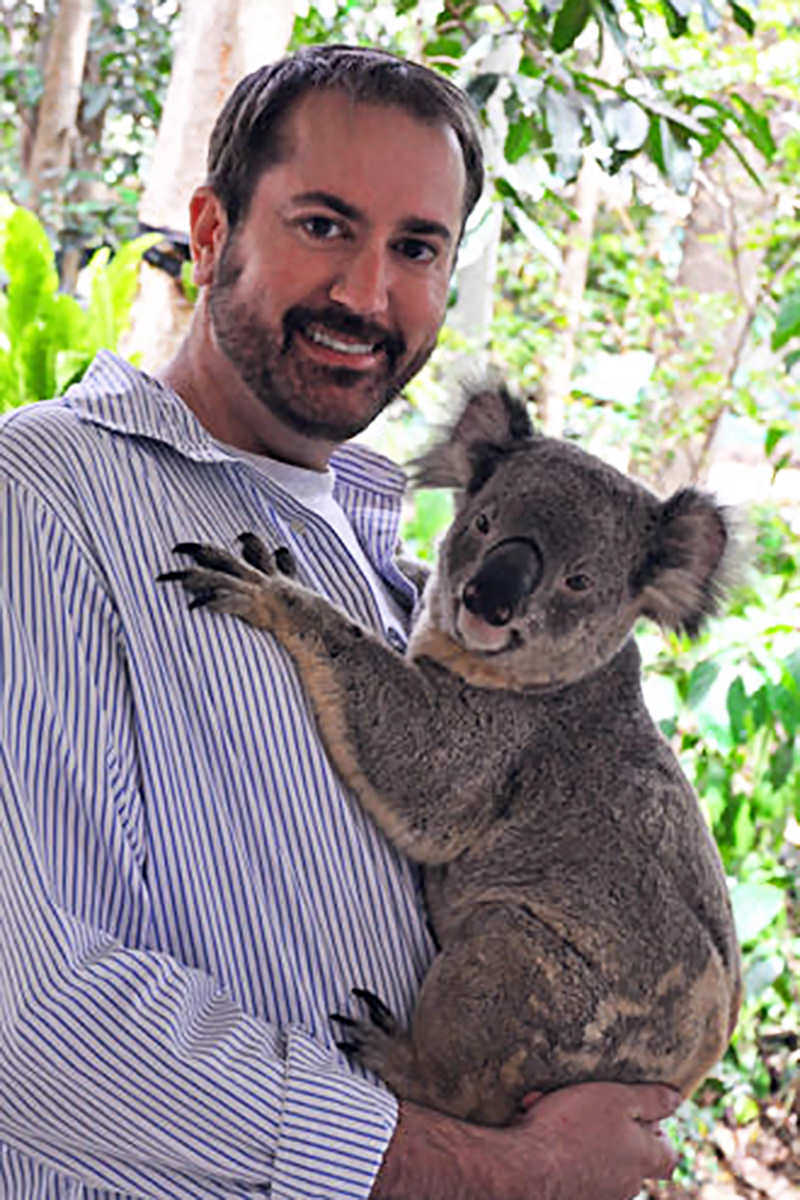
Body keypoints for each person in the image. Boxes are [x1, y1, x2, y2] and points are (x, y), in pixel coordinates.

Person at [0, 43, 680, 1199]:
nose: (368, 295)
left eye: (415, 248)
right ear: (211, 233)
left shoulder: (402, 571)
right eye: (323, 225)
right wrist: (485, 1170)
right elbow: (28, 1018)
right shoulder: (44, 502)